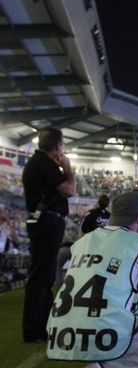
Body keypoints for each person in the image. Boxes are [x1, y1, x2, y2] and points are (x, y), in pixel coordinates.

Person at [46, 191, 138, 367]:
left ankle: (100, 361)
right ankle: (105, 365)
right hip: (106, 331)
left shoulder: (82, 242)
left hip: (61, 332)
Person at [21, 127, 76, 343]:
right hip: (47, 221)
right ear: (57, 145)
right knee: (41, 276)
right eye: (62, 144)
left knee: (43, 276)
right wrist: (69, 169)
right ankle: (35, 330)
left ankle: (40, 327)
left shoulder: (40, 162)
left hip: (43, 220)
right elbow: (69, 190)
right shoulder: (43, 162)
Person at [56, 195, 112, 288]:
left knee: (61, 254)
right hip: (106, 249)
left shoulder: (91, 213)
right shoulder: (110, 216)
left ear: (98, 202)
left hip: (90, 248)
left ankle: (59, 282)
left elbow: (83, 230)